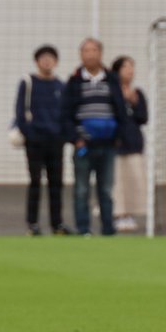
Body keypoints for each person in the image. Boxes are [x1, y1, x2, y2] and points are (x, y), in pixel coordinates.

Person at [62, 38, 127, 237]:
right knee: (81, 189)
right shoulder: (74, 81)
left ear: (100, 53)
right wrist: (76, 138)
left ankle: (108, 229)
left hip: (107, 145)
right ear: (81, 54)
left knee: (106, 190)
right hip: (84, 145)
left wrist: (118, 137)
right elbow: (65, 114)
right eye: (85, 51)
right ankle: (84, 230)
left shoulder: (112, 80)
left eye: (93, 50)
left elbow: (121, 110)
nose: (89, 54)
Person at [15, 45, 69, 236]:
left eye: (50, 58)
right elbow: (20, 112)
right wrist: (30, 134)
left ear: (56, 62)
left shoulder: (60, 86)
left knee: (56, 183)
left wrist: (62, 136)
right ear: (37, 61)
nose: (47, 61)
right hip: (35, 141)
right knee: (35, 181)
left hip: (55, 141)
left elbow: (65, 114)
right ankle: (33, 223)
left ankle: (57, 224)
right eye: (43, 58)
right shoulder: (28, 82)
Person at [110, 55, 148, 233]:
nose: (130, 71)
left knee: (134, 179)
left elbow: (143, 118)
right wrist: (121, 98)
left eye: (132, 67)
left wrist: (134, 102)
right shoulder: (111, 91)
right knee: (117, 180)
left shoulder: (137, 93)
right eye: (126, 67)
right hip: (116, 142)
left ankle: (131, 213)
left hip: (133, 142)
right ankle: (118, 214)